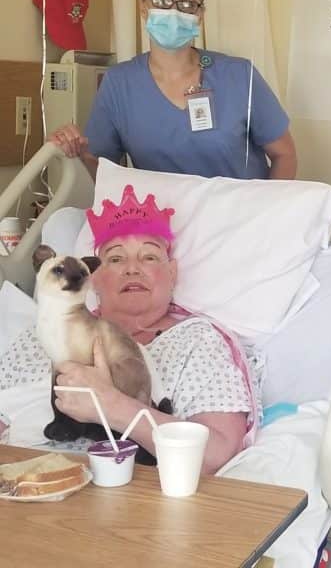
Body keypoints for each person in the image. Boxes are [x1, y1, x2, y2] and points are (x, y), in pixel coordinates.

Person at [0, 185, 263, 474]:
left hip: (135, 496)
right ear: (94, 278)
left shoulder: (198, 341)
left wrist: (112, 405)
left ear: (172, 273)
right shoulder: (41, 335)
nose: (132, 269)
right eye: (115, 258)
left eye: (149, 257)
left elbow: (218, 452)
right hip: (24, 487)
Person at [48, 0, 297, 180]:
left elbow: (284, 155)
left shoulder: (238, 76)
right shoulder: (120, 84)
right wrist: (77, 152)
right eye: (161, 1)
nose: (174, 12)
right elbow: (102, 172)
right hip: (162, 226)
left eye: (187, 5)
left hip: (238, 222)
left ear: (200, 15)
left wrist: (266, 216)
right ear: (143, 8)